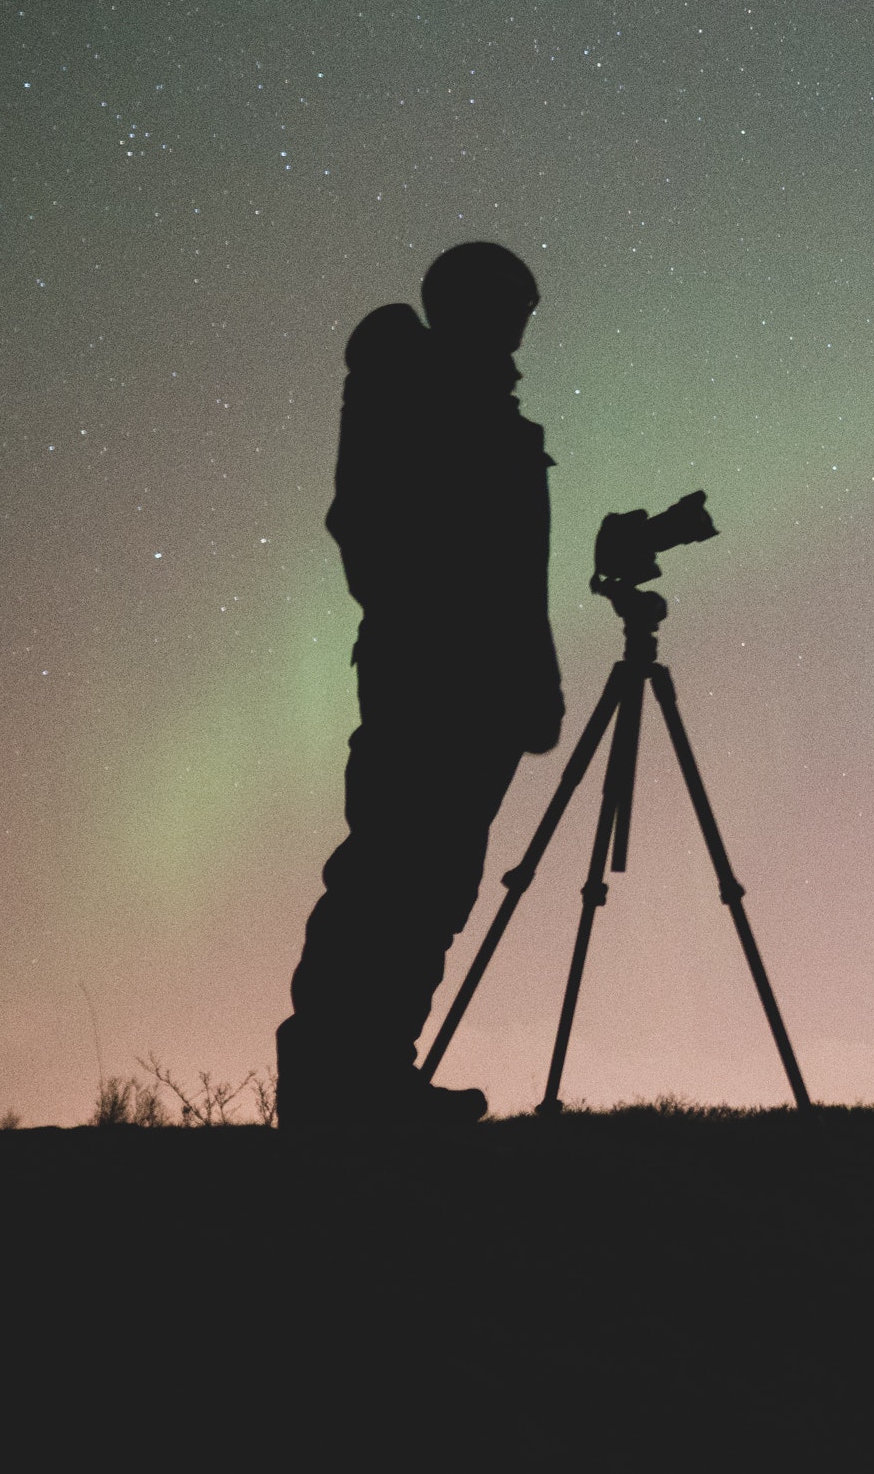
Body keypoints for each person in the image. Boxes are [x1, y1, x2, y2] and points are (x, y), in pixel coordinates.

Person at [275, 241, 568, 1128]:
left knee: (434, 884)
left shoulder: (481, 403)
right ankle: (335, 1082)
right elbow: (368, 525)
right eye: (511, 311)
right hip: (431, 678)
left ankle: (377, 1072)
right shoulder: (414, 388)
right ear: (476, 306)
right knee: (392, 876)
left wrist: (533, 673)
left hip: (479, 684)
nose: (521, 332)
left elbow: (520, 571)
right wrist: (441, 628)